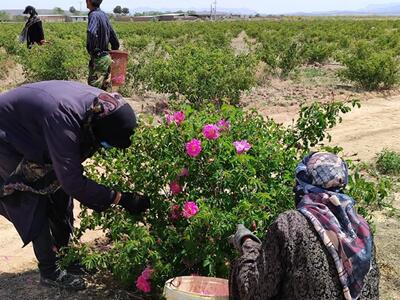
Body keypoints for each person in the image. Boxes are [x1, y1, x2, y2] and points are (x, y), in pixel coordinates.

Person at [0, 81, 150, 290]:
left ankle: (66, 255)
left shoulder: (103, 108)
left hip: (33, 127)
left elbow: (66, 180)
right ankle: (49, 270)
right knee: (32, 199)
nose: (101, 148)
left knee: (60, 195)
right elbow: (72, 182)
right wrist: (120, 198)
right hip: (7, 136)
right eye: (104, 144)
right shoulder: (65, 118)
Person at [229, 152, 379, 300]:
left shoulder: (290, 224)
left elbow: (252, 289)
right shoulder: (361, 228)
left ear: (303, 183)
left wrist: (247, 243)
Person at [86, 0, 120, 91]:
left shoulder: (93, 15)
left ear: (89, 1)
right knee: (105, 91)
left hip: (99, 60)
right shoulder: (104, 15)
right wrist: (114, 49)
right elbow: (113, 35)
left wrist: (93, 50)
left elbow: (92, 32)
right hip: (106, 58)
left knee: (94, 90)